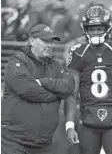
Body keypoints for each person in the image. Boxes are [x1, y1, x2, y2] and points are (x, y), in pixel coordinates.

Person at [65, 6, 112, 154]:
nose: (95, 32)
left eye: (99, 28)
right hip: (88, 121)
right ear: (85, 29)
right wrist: (69, 126)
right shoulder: (77, 52)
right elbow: (71, 94)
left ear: (108, 28)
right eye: (91, 29)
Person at [1, 24, 75, 154]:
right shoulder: (16, 62)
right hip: (15, 141)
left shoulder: (55, 65)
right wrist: (56, 95)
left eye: (51, 41)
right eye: (45, 41)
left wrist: (43, 82)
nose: (49, 45)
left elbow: (69, 87)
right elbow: (29, 91)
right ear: (32, 40)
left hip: (44, 143)